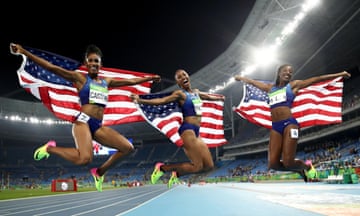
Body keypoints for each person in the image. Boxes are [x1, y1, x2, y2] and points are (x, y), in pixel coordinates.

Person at [10, 43, 161, 191]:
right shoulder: (79, 78)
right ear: (86, 63)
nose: (94, 63)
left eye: (97, 61)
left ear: (100, 64)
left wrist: (149, 78)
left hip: (97, 125)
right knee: (84, 159)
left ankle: (99, 173)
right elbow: (52, 68)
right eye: (91, 60)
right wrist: (24, 52)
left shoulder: (106, 82)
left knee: (127, 148)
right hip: (82, 121)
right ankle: (50, 149)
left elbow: (131, 81)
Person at [234, 64, 350, 182]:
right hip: (276, 127)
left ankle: (308, 167)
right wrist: (242, 78)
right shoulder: (270, 88)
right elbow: (253, 82)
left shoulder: (293, 85)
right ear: (279, 73)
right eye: (286, 71)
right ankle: (299, 170)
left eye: (290, 72)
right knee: (273, 164)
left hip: (290, 124)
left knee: (288, 162)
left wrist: (340, 74)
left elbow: (317, 79)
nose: (288, 73)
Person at [130, 69, 225, 188]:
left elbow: (207, 96)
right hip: (187, 130)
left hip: (197, 132)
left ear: (188, 76)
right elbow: (161, 101)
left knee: (209, 166)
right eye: (179, 77)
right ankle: (162, 168)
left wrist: (219, 98)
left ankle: (176, 173)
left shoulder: (196, 92)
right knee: (197, 166)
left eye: (184, 74)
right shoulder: (180, 94)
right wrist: (140, 100)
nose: (183, 77)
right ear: (178, 83)